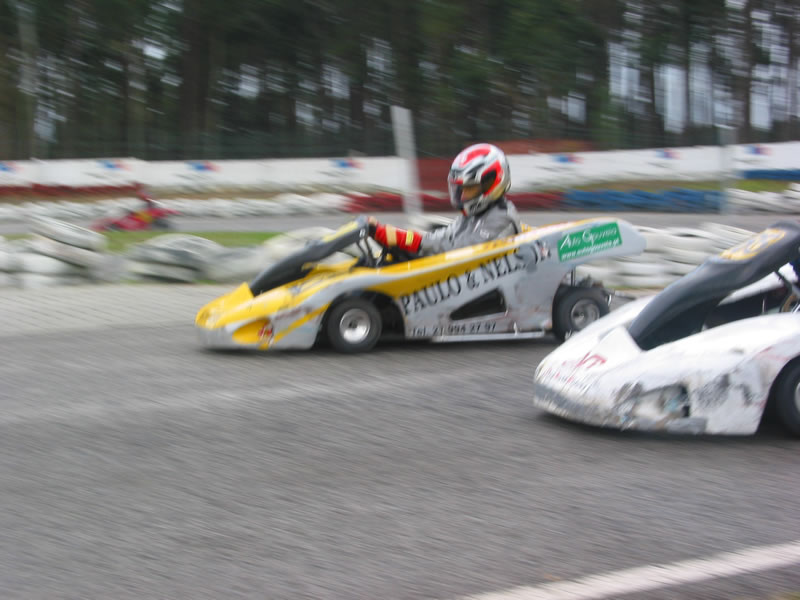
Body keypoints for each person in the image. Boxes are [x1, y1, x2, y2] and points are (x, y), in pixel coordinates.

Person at [368, 143, 521, 256]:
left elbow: (459, 251)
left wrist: (409, 241)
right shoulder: (476, 214)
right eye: (462, 189)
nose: (463, 195)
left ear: (491, 183)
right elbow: (442, 237)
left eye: (470, 188)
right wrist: (398, 235)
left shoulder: (501, 217)